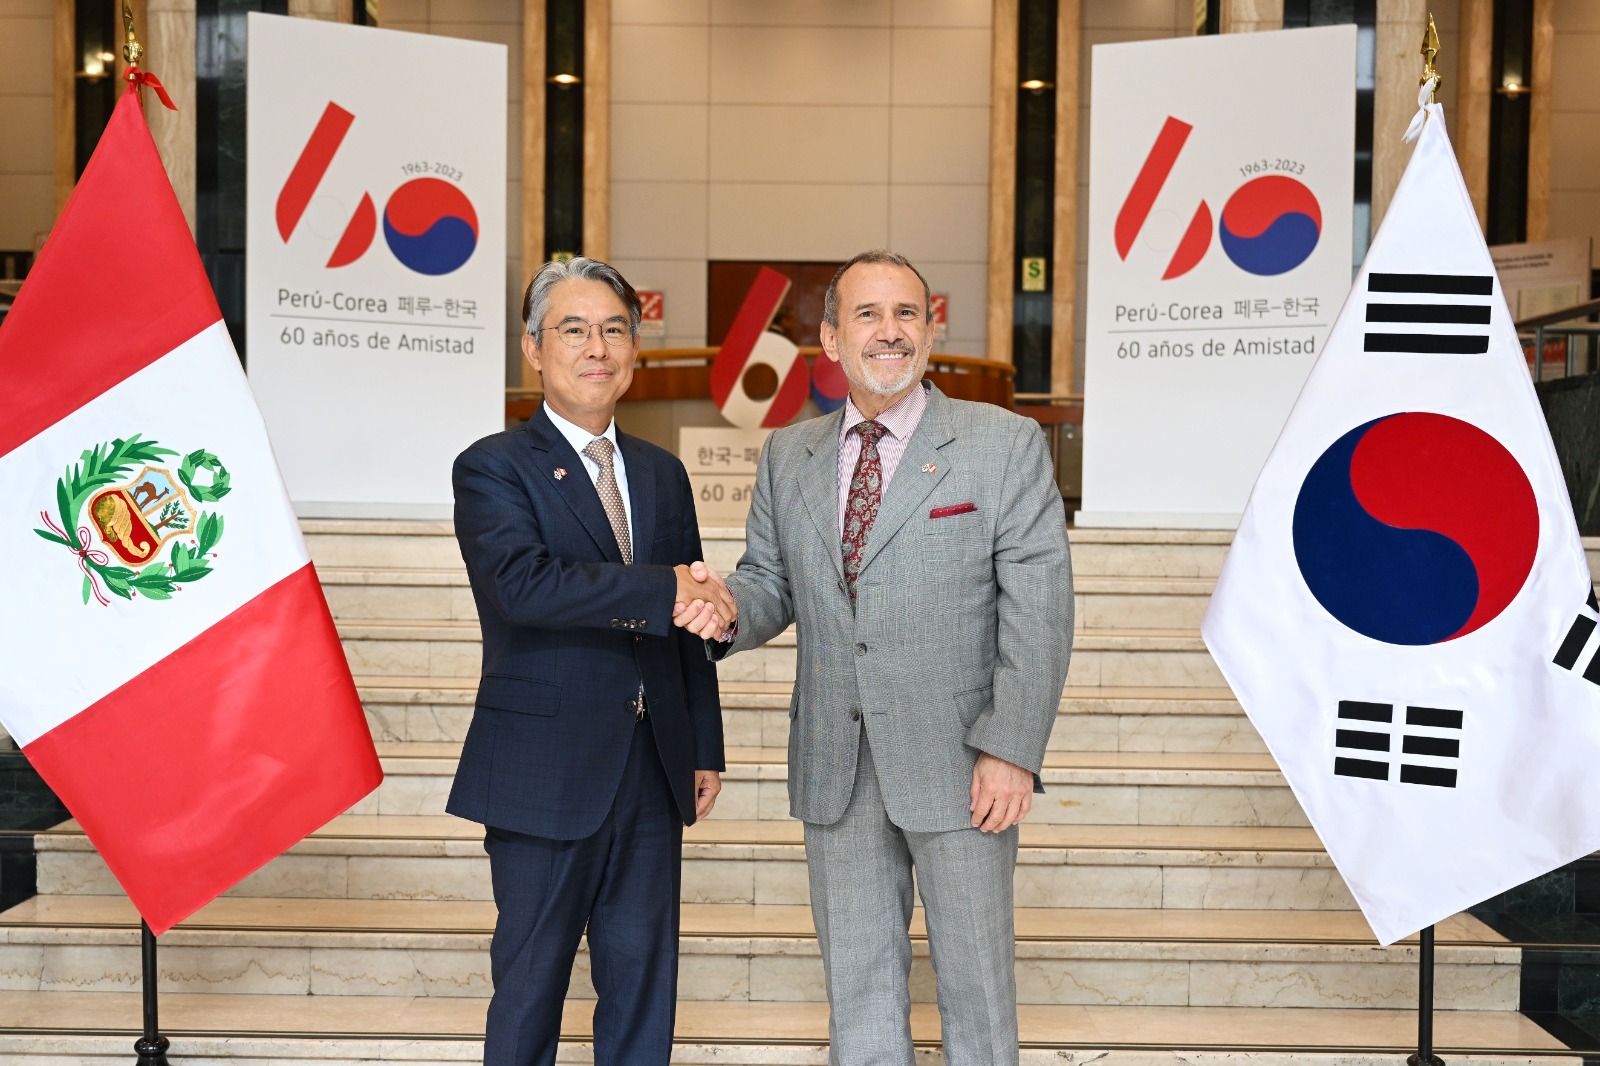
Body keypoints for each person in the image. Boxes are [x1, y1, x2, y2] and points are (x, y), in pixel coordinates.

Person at [677, 250, 1073, 1064]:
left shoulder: (1002, 444)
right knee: (857, 987)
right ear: (829, 338)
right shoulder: (791, 453)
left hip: (964, 764)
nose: (889, 332)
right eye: (867, 315)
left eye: (906, 313)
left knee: (977, 988)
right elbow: (770, 583)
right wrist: (724, 611)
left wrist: (1011, 750)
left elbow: (1040, 611)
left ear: (931, 328)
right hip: (836, 762)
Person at [448, 256, 735, 1066]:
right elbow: (524, 588)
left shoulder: (662, 473)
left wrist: (703, 745)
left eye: (614, 330)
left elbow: (687, 619)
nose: (596, 347)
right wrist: (664, 586)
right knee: (531, 988)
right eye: (574, 329)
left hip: (652, 770)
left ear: (634, 350)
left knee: (644, 987)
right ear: (534, 349)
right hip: (543, 771)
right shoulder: (494, 466)